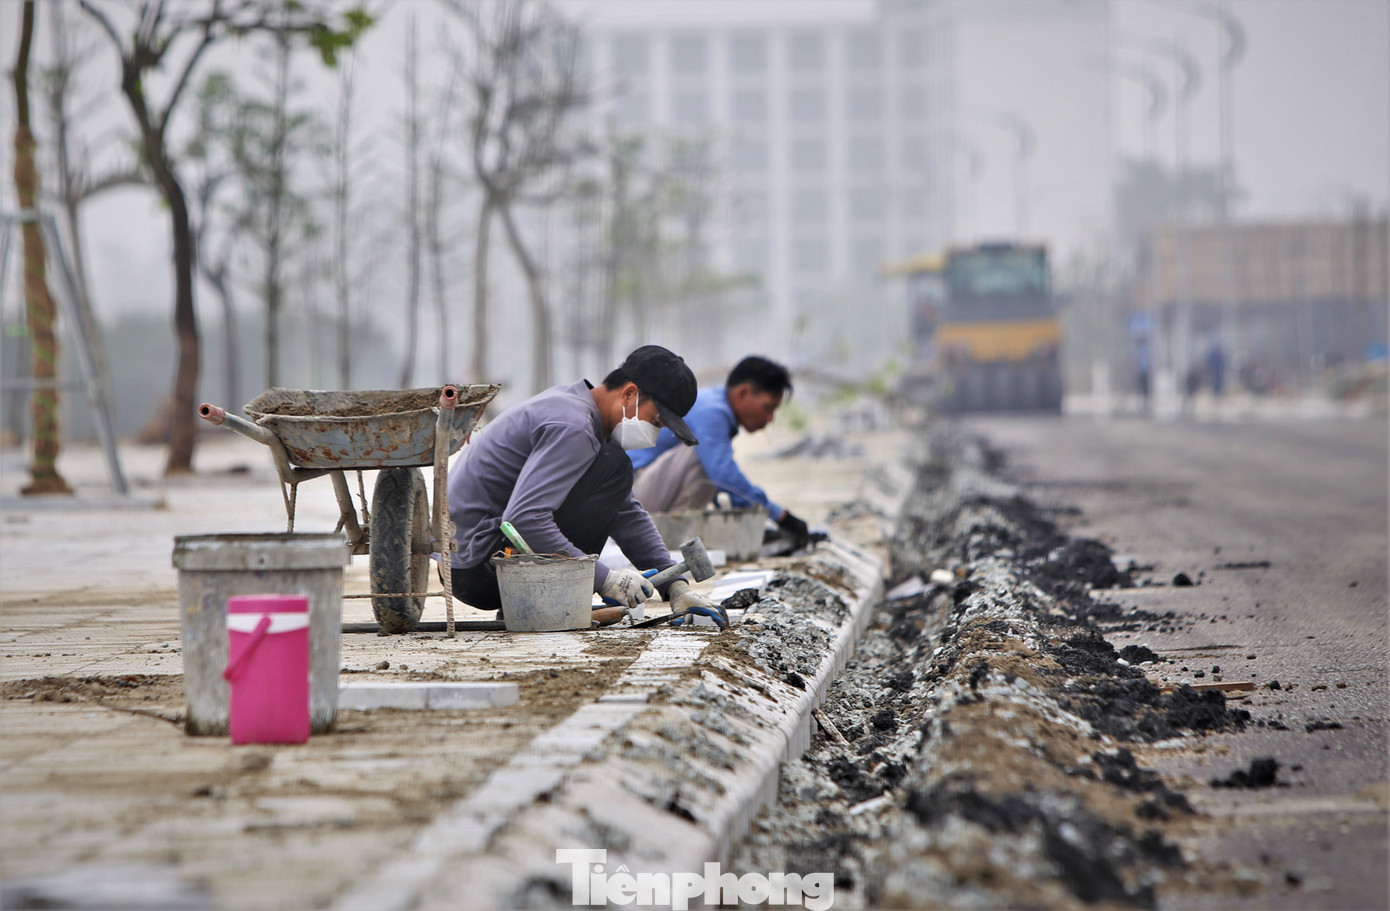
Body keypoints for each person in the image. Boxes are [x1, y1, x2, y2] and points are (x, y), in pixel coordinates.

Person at [446, 345, 726, 627]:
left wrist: (676, 585)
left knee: (613, 467)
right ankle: (541, 597)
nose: (655, 434)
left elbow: (626, 511)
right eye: (656, 422)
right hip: (479, 564)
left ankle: (541, 596)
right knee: (615, 465)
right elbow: (524, 519)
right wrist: (604, 579)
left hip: (472, 561)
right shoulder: (574, 427)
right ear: (629, 394)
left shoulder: (581, 414)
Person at [629, 355, 811, 550]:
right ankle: (673, 542)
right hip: (631, 495)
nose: (769, 418)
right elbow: (723, 475)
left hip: (645, 491)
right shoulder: (712, 411)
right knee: (703, 460)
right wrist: (780, 516)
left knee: (715, 475)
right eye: (768, 407)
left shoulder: (713, 406)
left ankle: (673, 539)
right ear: (743, 393)